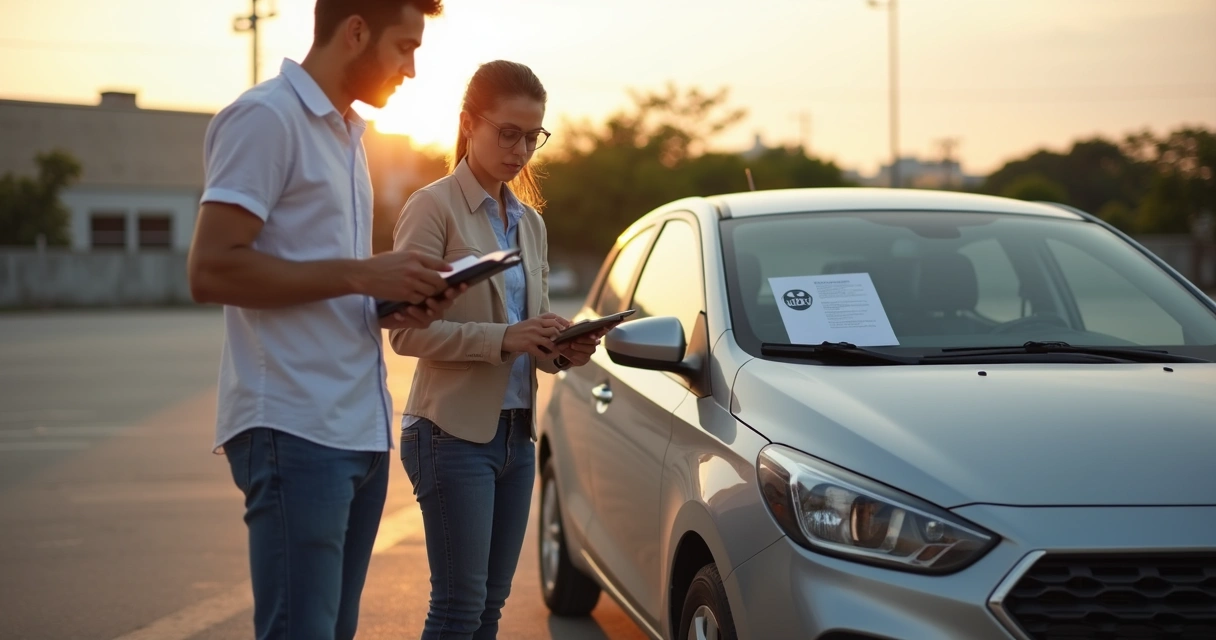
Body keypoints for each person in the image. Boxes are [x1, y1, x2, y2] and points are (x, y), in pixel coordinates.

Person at [185, 1, 456, 638]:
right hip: (293, 425)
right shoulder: (265, 118)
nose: (412, 69)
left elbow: (325, 278)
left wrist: (394, 299)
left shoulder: (347, 137)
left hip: (358, 429)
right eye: (404, 47)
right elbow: (211, 271)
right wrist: (363, 273)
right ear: (356, 32)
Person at [389, 60, 617, 639]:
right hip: (450, 435)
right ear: (469, 123)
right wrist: (505, 338)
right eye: (507, 132)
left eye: (532, 136)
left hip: (517, 436)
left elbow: (527, 336)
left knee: (491, 607)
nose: (520, 149)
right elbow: (404, 331)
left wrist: (564, 348)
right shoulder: (432, 207)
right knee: (459, 608)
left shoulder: (529, 223)